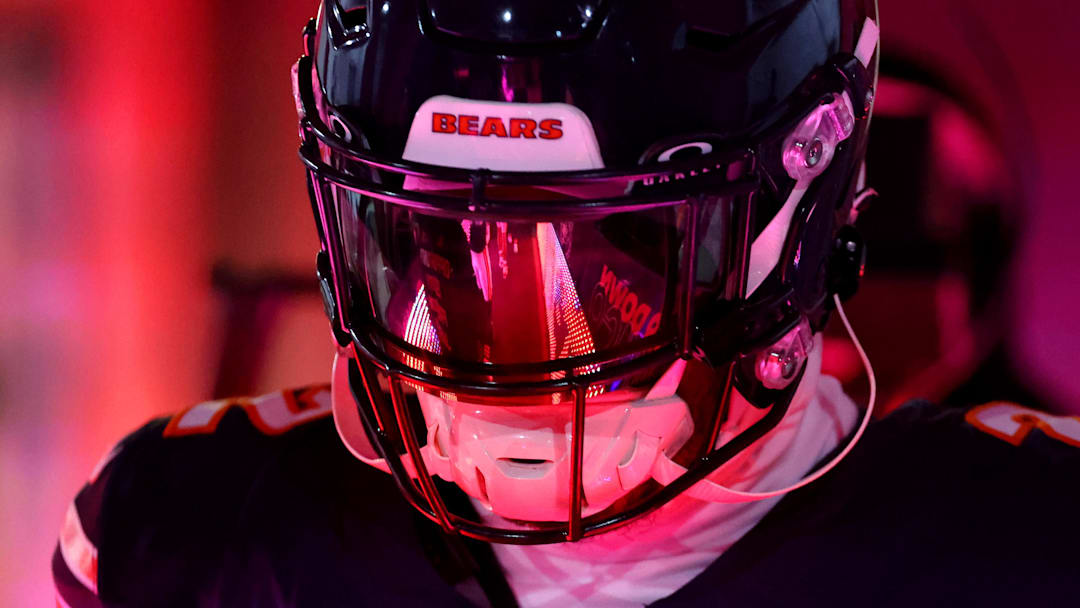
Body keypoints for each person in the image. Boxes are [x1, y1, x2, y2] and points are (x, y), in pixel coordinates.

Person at [53, 1, 1080, 606]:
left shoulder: (1029, 545)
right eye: (436, 250)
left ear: (804, 209)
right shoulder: (189, 534)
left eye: (611, 261)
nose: (514, 343)